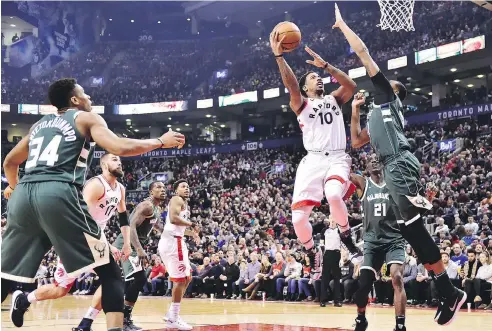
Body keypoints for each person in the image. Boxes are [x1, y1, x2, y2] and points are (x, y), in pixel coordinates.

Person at [1, 78, 184, 331]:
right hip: (58, 196)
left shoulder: (39, 125)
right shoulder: (86, 118)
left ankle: (27, 301)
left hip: (23, 198)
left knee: (6, 275)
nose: (90, 98)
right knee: (110, 274)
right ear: (74, 100)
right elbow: (119, 146)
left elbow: (10, 162)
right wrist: (160, 141)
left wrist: (14, 187)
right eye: (85, 93)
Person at [334, 4, 466, 325]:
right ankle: (448, 291)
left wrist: (343, 26)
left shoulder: (389, 98)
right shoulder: (378, 113)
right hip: (394, 167)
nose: (382, 82)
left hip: (399, 165)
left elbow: (363, 53)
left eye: (387, 82)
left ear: (394, 92)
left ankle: (449, 291)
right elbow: (357, 142)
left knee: (413, 228)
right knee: (412, 229)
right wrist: (355, 111)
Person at [269, 26, 361, 264]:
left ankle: (346, 236)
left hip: (337, 158)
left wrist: (327, 67)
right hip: (313, 160)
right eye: (312, 78)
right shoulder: (301, 104)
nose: (317, 78)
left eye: (318, 77)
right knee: (298, 219)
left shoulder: (334, 98)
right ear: (305, 88)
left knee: (333, 194)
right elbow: (290, 85)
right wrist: (279, 57)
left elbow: (351, 85)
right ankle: (311, 251)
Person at [11, 153, 132, 330]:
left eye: (120, 160)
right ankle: (24, 300)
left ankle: (84, 322)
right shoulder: (96, 186)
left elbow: (123, 217)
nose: (119, 162)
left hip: (94, 240)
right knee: (72, 287)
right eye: (114, 159)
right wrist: (108, 245)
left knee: (105, 281)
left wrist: (126, 243)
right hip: (75, 238)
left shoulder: (120, 188)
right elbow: (79, 218)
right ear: (104, 165)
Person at [350, 154, 407, 331]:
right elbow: (344, 172)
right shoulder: (363, 183)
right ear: (366, 167)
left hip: (394, 240)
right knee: (364, 283)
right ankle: (361, 318)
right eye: (370, 159)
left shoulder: (393, 183)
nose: (374, 160)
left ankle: (400, 326)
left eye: (377, 158)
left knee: (396, 277)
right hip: (372, 243)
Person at [113, 181, 167, 330]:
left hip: (134, 245)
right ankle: (123, 320)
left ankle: (123, 318)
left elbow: (153, 224)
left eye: (164, 187)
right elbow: (130, 226)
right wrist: (139, 249)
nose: (162, 190)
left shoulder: (156, 208)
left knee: (135, 281)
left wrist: (165, 231)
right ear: (150, 192)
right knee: (139, 278)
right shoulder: (147, 205)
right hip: (126, 244)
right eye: (158, 187)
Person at [159, 179, 200, 330]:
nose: (186, 188)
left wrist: (191, 233)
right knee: (180, 280)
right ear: (176, 190)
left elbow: (178, 227)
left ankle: (172, 313)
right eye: (183, 186)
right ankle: (174, 318)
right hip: (173, 243)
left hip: (175, 240)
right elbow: (173, 219)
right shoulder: (176, 199)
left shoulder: (183, 203)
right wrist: (192, 224)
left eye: (188, 186)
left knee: (187, 276)